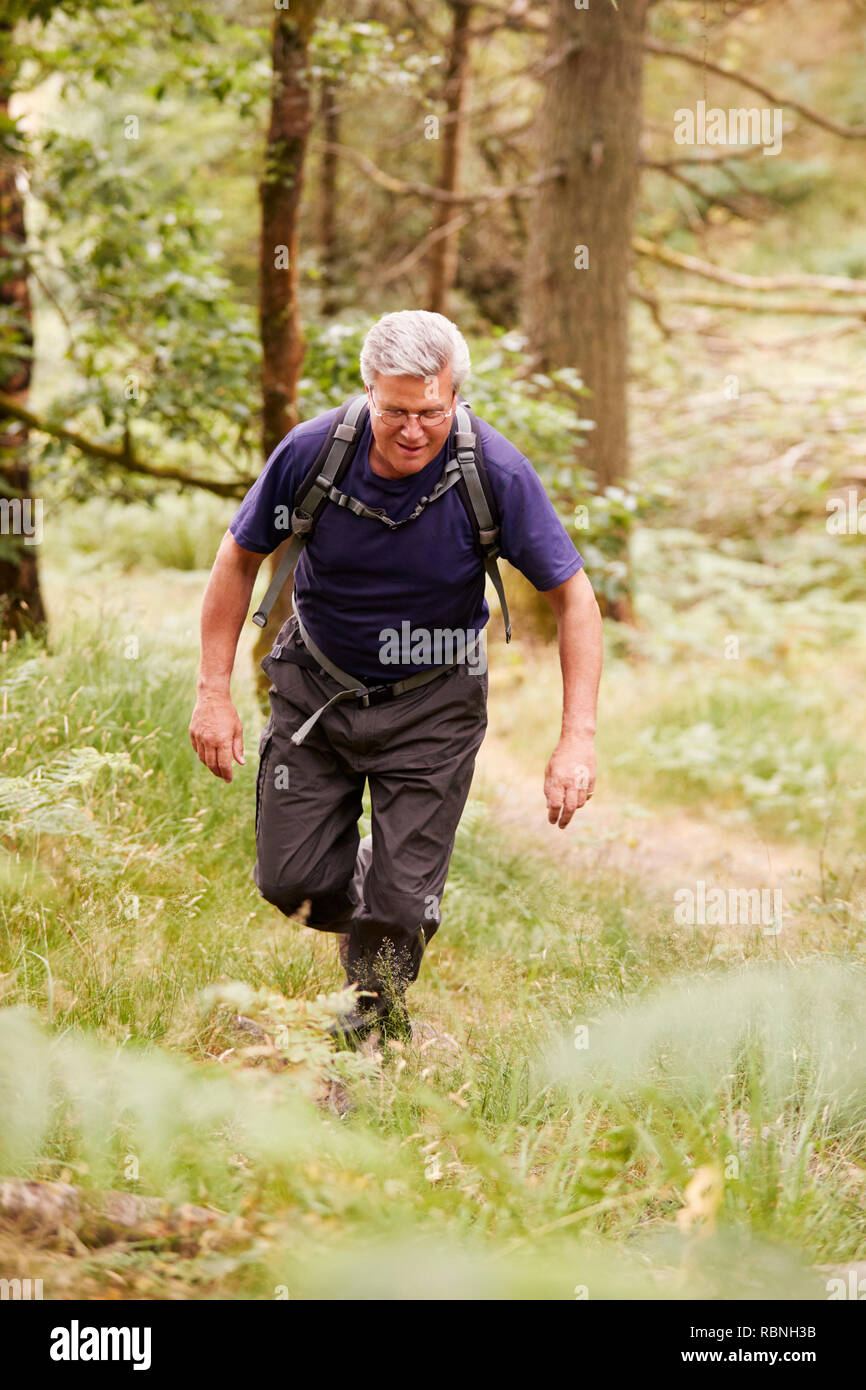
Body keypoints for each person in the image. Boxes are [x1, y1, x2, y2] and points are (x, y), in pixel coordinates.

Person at [189, 310, 602, 1044]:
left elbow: (575, 599)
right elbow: (237, 558)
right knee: (293, 884)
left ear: (456, 399)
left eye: (431, 413)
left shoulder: (495, 473)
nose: (413, 430)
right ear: (369, 394)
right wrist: (212, 691)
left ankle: (367, 1036)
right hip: (318, 688)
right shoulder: (313, 453)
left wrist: (576, 739)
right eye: (395, 413)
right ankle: (397, 895)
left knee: (396, 909)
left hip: (433, 708)